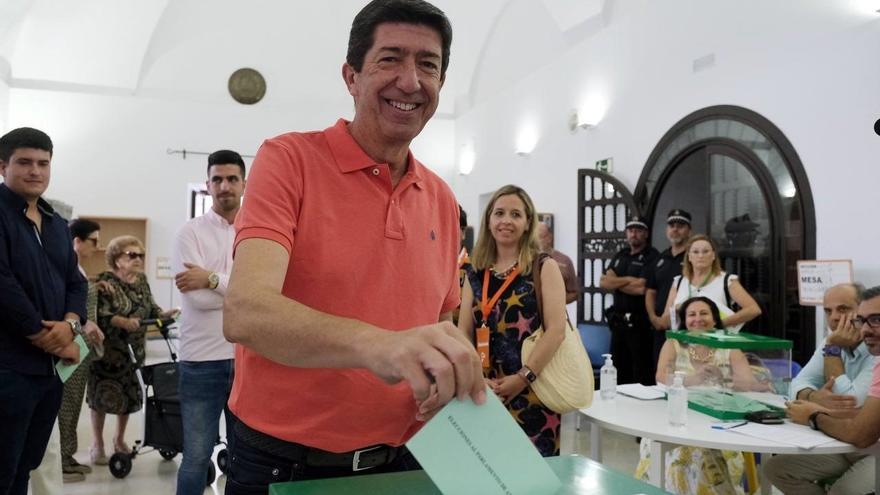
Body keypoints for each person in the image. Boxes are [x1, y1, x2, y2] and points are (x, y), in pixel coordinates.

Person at [221, 1, 484, 491]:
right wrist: (379, 344)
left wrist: (450, 366)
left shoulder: (443, 199)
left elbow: (440, 320)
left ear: (441, 84)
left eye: (428, 64)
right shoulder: (289, 160)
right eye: (390, 59)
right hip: (286, 465)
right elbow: (245, 312)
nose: (410, 81)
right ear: (351, 76)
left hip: (409, 459)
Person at [0, 127, 87, 495]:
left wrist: (70, 324)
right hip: (9, 367)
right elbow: (3, 284)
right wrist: (43, 335)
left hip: (49, 374)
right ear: (3, 166)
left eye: (43, 163)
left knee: (26, 465)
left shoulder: (55, 225)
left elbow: (77, 283)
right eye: (24, 162)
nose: (35, 171)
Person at [457, 185, 567, 457]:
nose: (506, 220)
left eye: (516, 214)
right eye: (499, 213)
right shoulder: (474, 271)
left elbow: (556, 331)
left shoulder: (544, 266)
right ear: (488, 221)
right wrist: (475, 379)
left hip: (534, 392)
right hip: (483, 392)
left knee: (531, 479)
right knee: (484, 472)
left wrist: (523, 377)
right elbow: (462, 332)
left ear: (528, 222)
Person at [638, 296, 766, 495]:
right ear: (685, 321)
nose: (698, 319)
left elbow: (749, 384)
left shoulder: (729, 347)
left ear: (715, 319)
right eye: (692, 314)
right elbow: (662, 377)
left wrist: (724, 379)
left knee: (703, 454)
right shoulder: (674, 343)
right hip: (677, 416)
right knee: (678, 453)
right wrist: (693, 379)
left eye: (704, 313)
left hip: (718, 420)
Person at [172, 150, 245, 495]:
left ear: (244, 183)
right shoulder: (190, 233)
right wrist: (240, 288)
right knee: (196, 457)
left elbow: (270, 292)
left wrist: (213, 279)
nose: (224, 186)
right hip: (201, 361)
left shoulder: (257, 231)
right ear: (207, 185)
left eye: (232, 178)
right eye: (217, 179)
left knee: (246, 457)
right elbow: (196, 299)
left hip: (248, 358)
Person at [765, 285, 880, 495]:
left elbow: (851, 402)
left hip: (871, 449)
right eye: (828, 311)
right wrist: (814, 396)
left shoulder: (869, 347)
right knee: (776, 469)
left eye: (843, 309)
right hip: (844, 440)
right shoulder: (831, 341)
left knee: (843, 492)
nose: (834, 318)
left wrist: (814, 412)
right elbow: (795, 385)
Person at [87, 235, 176, 464]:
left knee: (128, 396)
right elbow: (101, 315)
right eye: (131, 254)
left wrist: (163, 314)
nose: (138, 259)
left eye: (140, 255)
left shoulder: (141, 280)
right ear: (117, 259)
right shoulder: (106, 282)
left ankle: (119, 438)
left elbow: (150, 307)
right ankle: (97, 443)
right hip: (108, 353)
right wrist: (122, 321)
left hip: (134, 351)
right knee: (101, 398)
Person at [57, 219, 106, 481]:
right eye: (94, 241)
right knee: (67, 402)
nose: (97, 247)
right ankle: (62, 459)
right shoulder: (65, 269)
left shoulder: (79, 270)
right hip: (71, 345)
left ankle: (68, 455)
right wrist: (86, 323)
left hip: (82, 347)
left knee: (74, 401)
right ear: (77, 241)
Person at [599, 215, 659, 385]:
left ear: (645, 234)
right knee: (617, 369)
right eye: (631, 230)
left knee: (640, 372)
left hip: (640, 324)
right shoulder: (621, 255)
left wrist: (616, 282)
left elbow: (641, 287)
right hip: (618, 323)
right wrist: (629, 280)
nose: (634, 234)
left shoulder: (651, 256)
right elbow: (604, 282)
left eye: (638, 230)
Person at [662, 234, 761, 332]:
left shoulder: (726, 280)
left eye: (705, 251)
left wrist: (719, 324)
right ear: (689, 257)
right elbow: (665, 320)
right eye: (695, 252)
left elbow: (753, 309)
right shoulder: (678, 282)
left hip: (716, 343)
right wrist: (676, 312)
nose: (700, 256)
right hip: (684, 343)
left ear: (713, 255)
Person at [645, 209, 691, 365]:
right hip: (660, 327)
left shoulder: (694, 257)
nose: (675, 229)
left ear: (689, 230)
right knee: (661, 368)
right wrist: (653, 318)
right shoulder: (660, 258)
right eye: (671, 225)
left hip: (686, 327)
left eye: (680, 225)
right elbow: (650, 291)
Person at [537, 222, 578, 304]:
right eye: (533, 238)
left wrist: (556, 302)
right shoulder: (525, 260)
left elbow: (574, 293)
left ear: (549, 238)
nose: (536, 241)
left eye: (539, 237)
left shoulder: (565, 261)